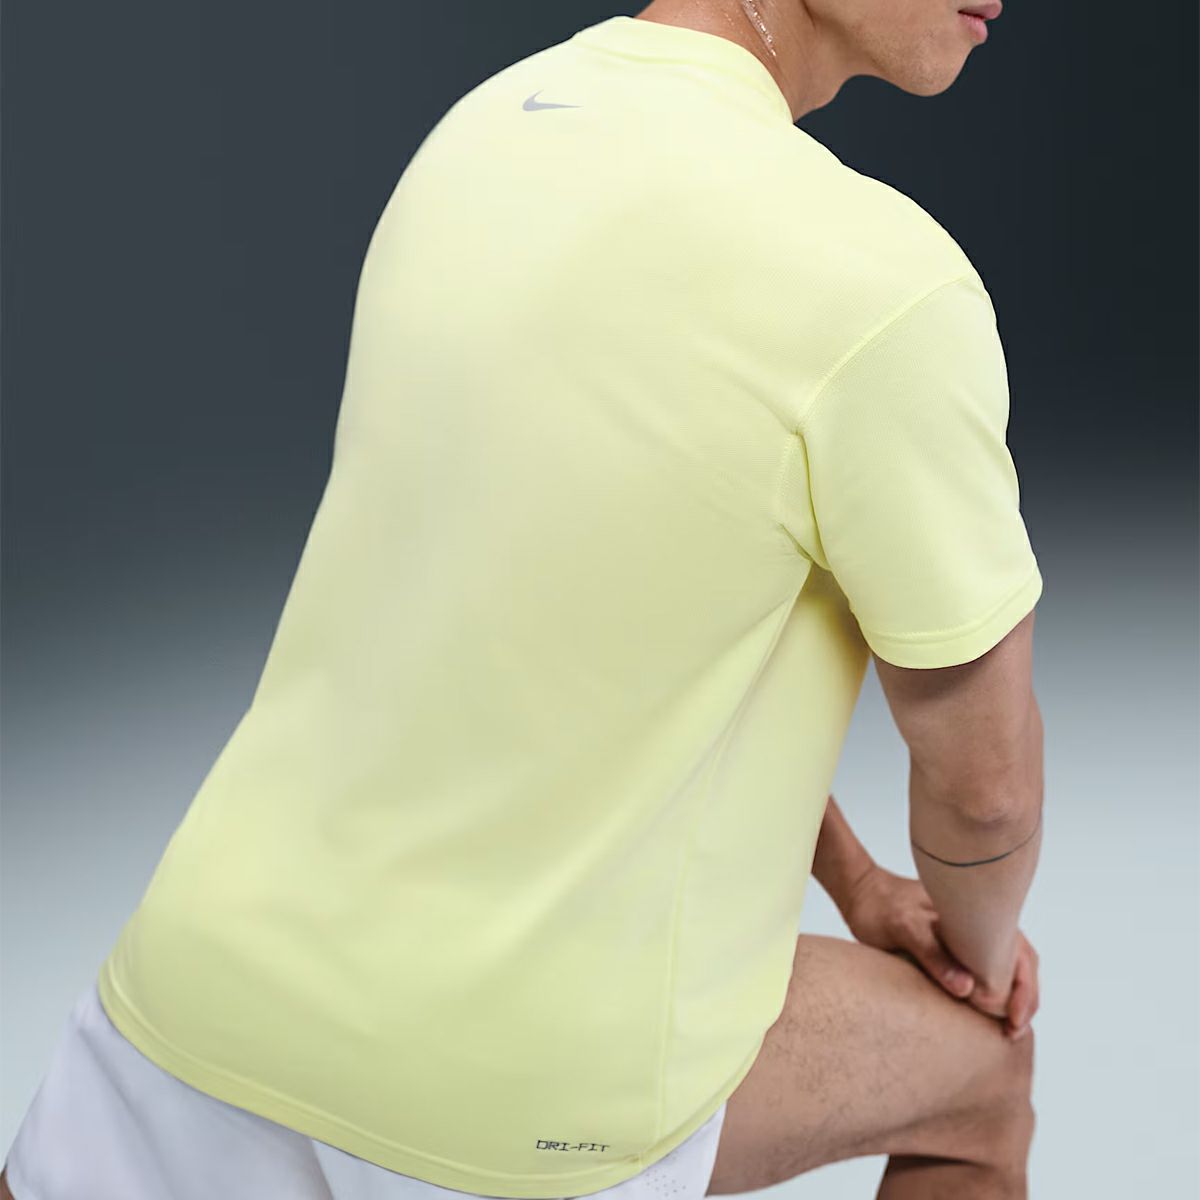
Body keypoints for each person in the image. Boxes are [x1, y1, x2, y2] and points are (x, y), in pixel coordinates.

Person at [3, 0, 1045, 1197]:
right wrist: (977, 958)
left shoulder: (481, 130)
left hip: (199, 996)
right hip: (514, 1098)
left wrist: (854, 880)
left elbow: (571, 621)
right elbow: (985, 792)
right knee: (981, 1079)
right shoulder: (889, 286)